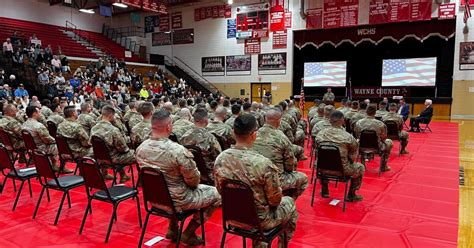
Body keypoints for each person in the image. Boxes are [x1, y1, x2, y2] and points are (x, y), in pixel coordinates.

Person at [135, 109, 220, 246]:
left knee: (171, 187)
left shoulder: (140, 149)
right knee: (217, 195)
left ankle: (173, 228)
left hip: (154, 198)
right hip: (178, 200)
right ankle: (188, 233)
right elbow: (193, 180)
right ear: (169, 126)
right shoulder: (177, 151)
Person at [214, 114, 298, 247]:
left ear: (234, 133)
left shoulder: (220, 159)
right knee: (290, 203)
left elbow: (220, 190)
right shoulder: (263, 164)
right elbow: (275, 200)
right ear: (254, 135)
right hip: (260, 221)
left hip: (232, 217)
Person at [252, 108, 309, 200]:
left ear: (265, 119)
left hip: (255, 175)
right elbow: (290, 166)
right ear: (279, 121)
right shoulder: (282, 137)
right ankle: (286, 201)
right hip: (275, 179)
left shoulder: (254, 134)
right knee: (303, 178)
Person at [315, 110, 365, 201]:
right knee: (360, 167)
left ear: (330, 121)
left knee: (320, 160)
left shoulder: (320, 134)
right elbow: (353, 157)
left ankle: (324, 191)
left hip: (322, 168)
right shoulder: (348, 137)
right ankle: (351, 195)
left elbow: (317, 153)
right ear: (342, 120)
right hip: (342, 170)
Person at [22, 106, 72, 173]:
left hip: (32, 148)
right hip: (41, 149)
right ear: (34, 113)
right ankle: (60, 166)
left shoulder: (24, 124)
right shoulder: (38, 126)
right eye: (39, 112)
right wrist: (57, 141)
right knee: (60, 146)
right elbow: (47, 140)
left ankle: (53, 164)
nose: (40, 114)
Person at [90, 105, 133, 183]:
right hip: (113, 159)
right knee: (136, 154)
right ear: (111, 115)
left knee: (113, 151)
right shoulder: (113, 130)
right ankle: (139, 180)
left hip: (100, 158)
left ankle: (106, 173)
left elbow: (91, 143)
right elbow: (123, 149)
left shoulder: (94, 128)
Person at [180, 108, 222, 184]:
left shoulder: (184, 136)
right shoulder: (210, 138)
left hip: (190, 172)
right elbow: (219, 157)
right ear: (206, 121)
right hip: (208, 174)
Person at [354, 105, 393, 171]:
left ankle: (363, 164)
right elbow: (384, 138)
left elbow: (357, 135)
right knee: (389, 142)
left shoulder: (358, 122)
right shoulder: (380, 124)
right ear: (375, 113)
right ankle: (383, 166)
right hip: (377, 147)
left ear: (366, 112)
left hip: (361, 146)